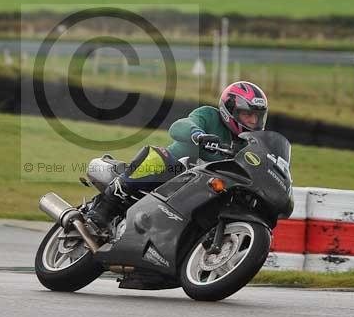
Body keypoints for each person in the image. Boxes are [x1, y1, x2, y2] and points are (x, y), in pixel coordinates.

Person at [86, 81, 269, 229]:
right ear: (230, 110)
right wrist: (199, 136)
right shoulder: (209, 116)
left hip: (202, 193)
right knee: (158, 156)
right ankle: (108, 202)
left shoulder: (250, 145)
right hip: (174, 175)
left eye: (257, 116)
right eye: (247, 115)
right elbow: (180, 126)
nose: (253, 121)